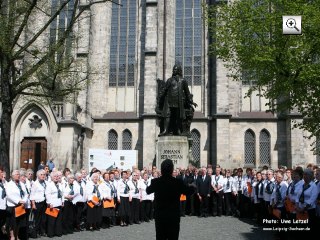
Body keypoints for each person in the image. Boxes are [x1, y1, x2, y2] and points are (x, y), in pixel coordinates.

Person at [146, 159, 195, 240]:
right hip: (173, 216)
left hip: (160, 216)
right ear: (172, 170)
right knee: (173, 237)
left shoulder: (156, 182)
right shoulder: (177, 182)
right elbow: (188, 191)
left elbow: (148, 191)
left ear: (161, 170)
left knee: (160, 237)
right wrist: (193, 187)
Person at [158, 64, 197, 136]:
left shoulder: (183, 80)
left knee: (178, 116)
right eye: (173, 69)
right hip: (169, 101)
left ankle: (179, 130)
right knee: (167, 115)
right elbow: (164, 89)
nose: (174, 71)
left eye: (175, 69)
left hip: (179, 101)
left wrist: (191, 102)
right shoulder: (169, 80)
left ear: (179, 70)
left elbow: (187, 92)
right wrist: (160, 96)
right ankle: (165, 130)